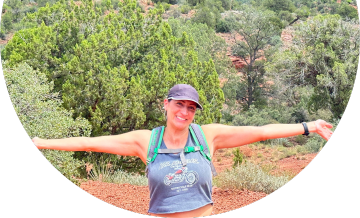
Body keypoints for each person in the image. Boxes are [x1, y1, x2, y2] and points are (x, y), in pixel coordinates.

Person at [32, 84, 333, 217]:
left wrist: (310, 126)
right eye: (179, 104)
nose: (185, 112)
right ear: (166, 104)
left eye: (191, 107)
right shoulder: (146, 141)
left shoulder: (207, 137)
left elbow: (261, 132)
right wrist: (41, 143)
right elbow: (88, 143)